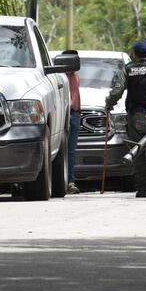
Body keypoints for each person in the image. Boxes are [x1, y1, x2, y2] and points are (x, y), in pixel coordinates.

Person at [105, 40, 146, 197]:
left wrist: (109, 104)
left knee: (138, 150)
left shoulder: (128, 68)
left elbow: (118, 90)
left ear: (134, 54)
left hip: (136, 116)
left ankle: (142, 188)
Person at [63, 49, 81, 195]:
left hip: (74, 115)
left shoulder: (76, 77)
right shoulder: (59, 77)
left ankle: (70, 181)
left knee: (71, 151)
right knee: (61, 151)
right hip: (63, 115)